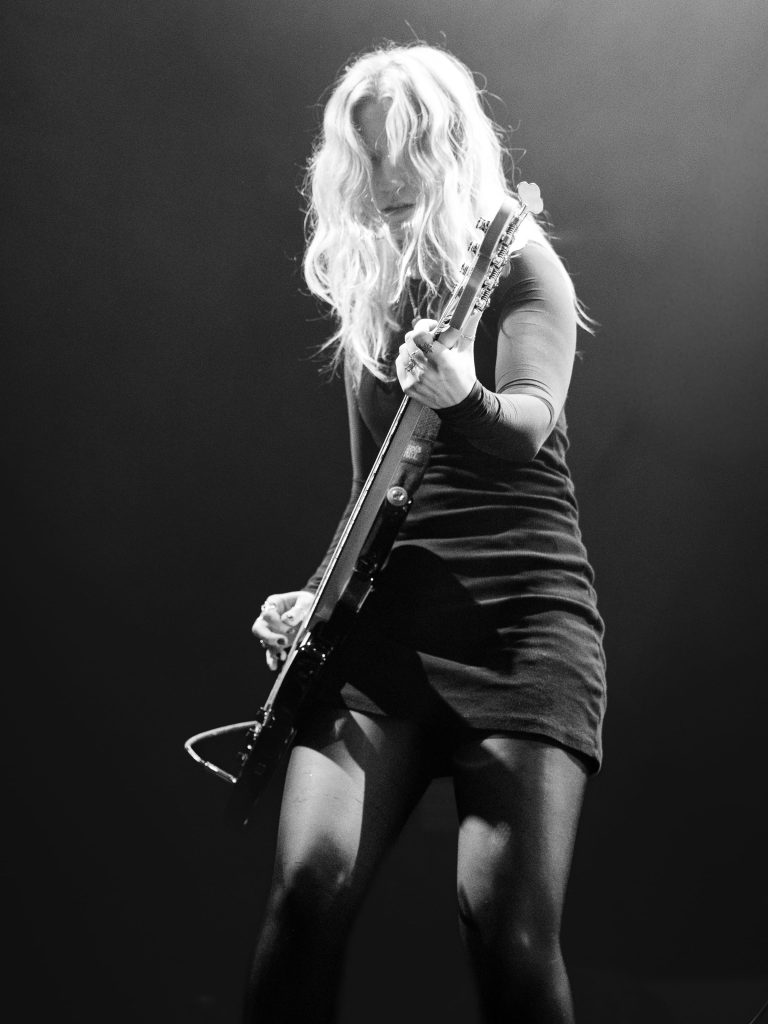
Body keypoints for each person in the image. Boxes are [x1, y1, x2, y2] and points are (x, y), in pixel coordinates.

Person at [249, 42, 606, 1024]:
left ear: (451, 147)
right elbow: (373, 491)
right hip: (388, 635)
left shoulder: (520, 262)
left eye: (406, 148)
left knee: (503, 926)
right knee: (306, 888)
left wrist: (462, 395)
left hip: (520, 623)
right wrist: (316, 595)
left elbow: (525, 428)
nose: (388, 173)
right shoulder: (370, 284)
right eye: (368, 152)